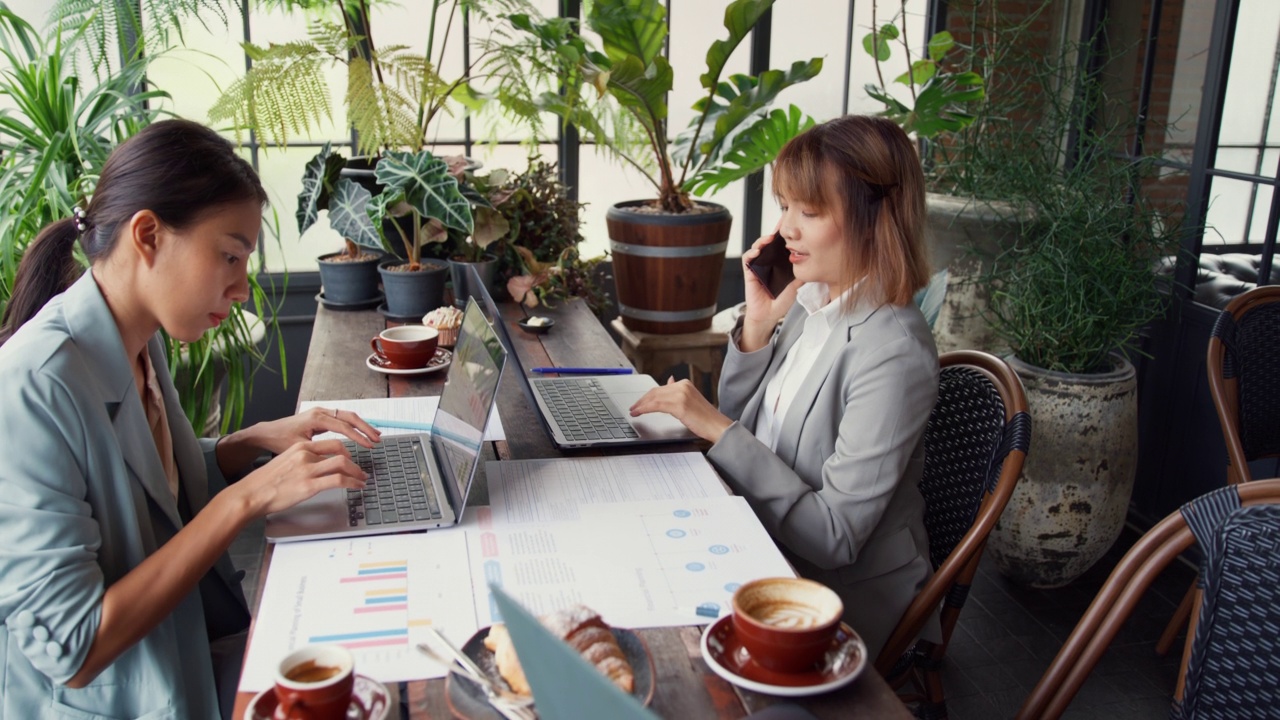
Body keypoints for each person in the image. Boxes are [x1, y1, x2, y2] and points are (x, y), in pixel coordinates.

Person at [0, 119, 382, 719]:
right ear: (148, 234)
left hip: (189, 650)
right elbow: (71, 646)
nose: (242, 289)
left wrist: (248, 444)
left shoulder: (137, 340)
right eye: (229, 254)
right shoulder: (31, 385)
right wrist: (244, 500)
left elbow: (146, 486)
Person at [630, 114, 941, 660]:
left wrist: (714, 426)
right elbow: (744, 432)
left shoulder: (894, 352)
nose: (786, 229)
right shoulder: (812, 298)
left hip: (839, 598)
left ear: (877, 218)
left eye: (811, 211)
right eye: (785, 205)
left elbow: (833, 538)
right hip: (763, 541)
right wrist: (757, 326)